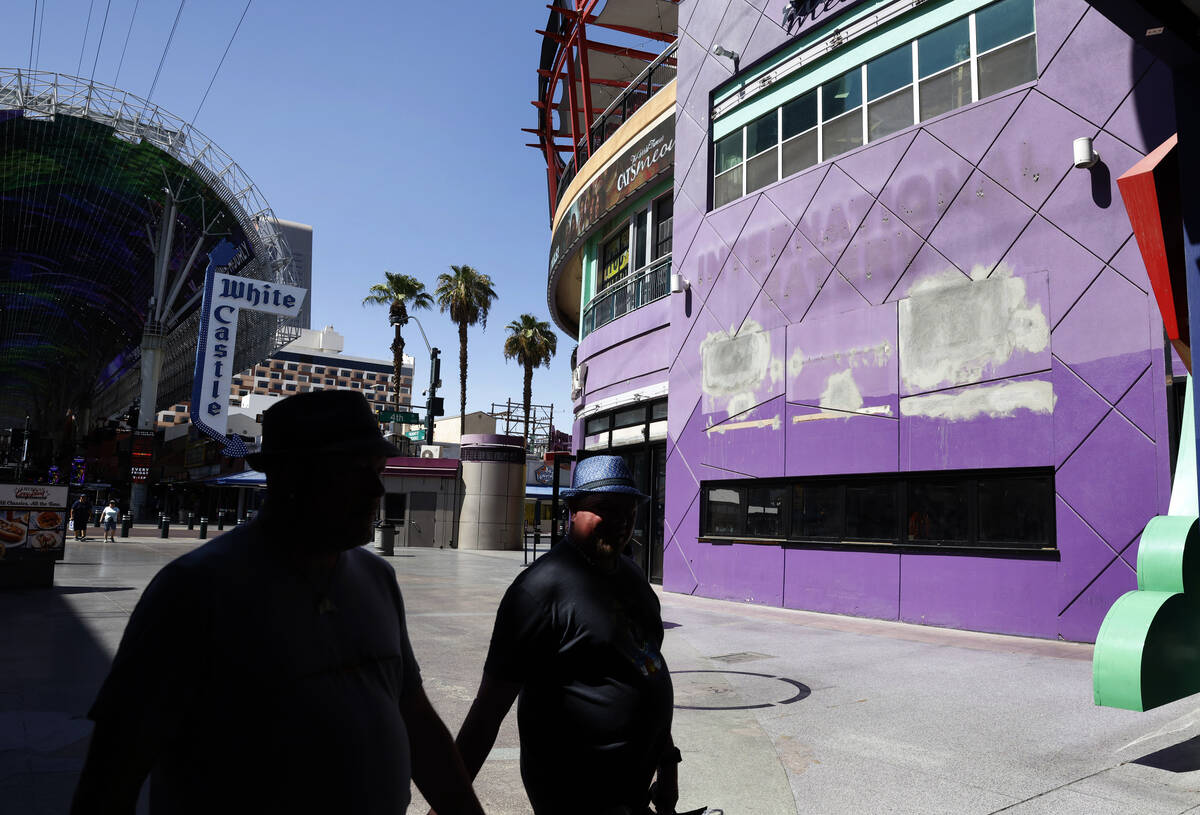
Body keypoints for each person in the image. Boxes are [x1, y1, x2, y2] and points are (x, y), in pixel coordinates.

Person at [71, 390, 485, 815]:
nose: (376, 489)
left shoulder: (378, 578)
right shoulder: (193, 591)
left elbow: (414, 715)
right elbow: (114, 770)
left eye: (378, 470)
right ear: (292, 476)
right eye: (356, 471)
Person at [447, 455, 679, 815]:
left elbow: (647, 669)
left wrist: (668, 764)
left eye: (629, 510)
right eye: (605, 508)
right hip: (574, 793)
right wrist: (447, 802)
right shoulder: (539, 591)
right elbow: (488, 710)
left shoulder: (633, 578)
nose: (620, 521)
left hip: (633, 791)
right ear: (572, 509)